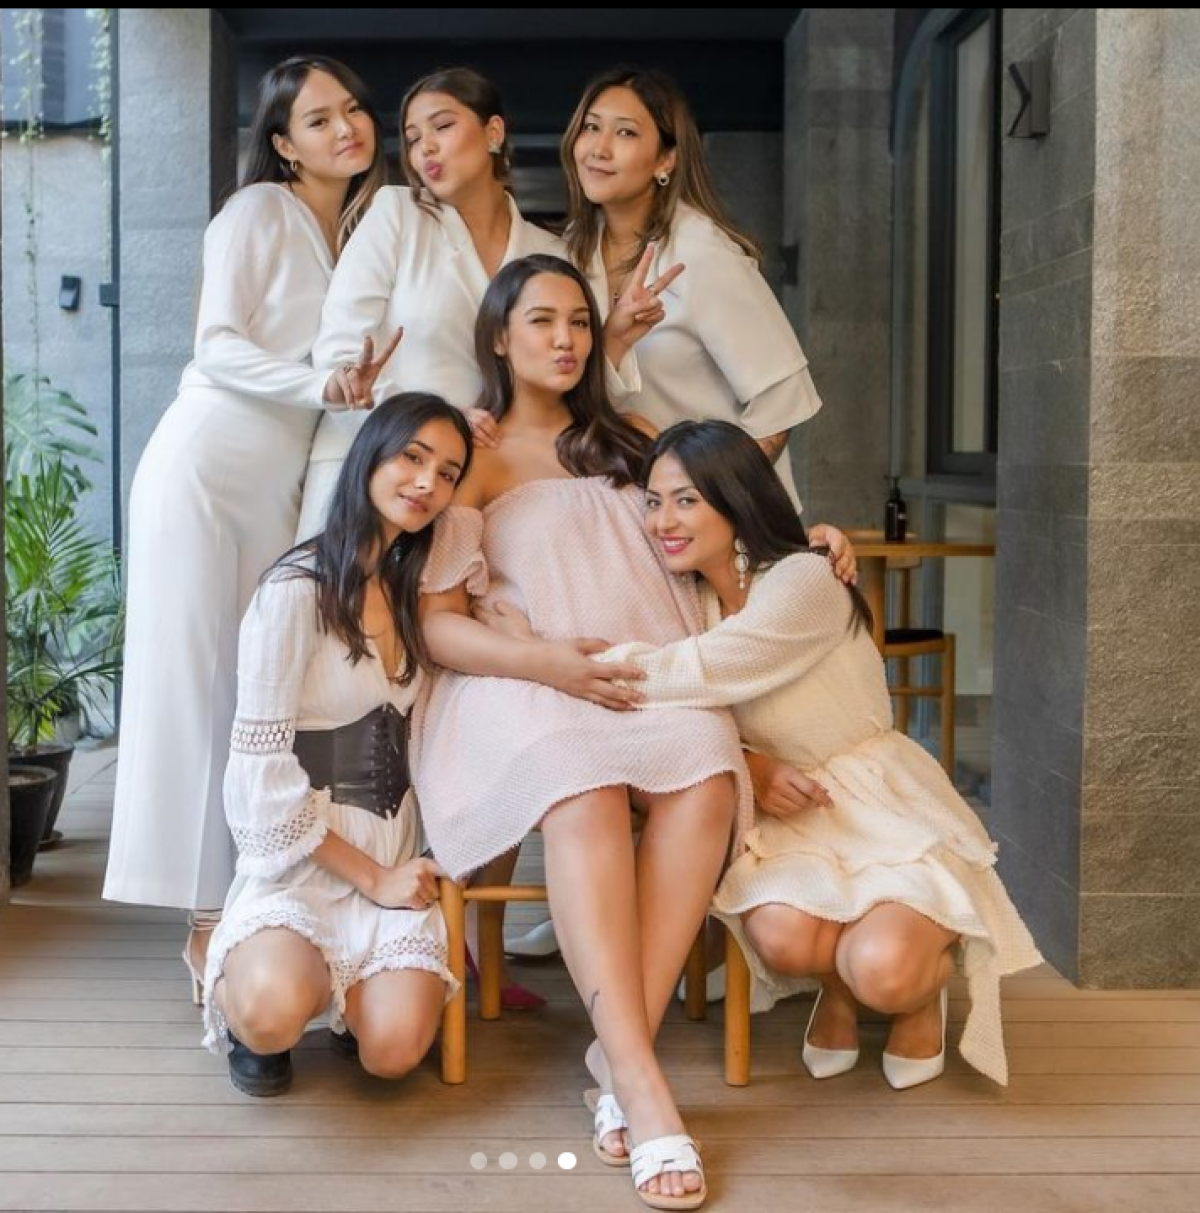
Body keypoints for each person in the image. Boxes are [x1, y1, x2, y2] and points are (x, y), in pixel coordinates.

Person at [414, 255, 758, 1210]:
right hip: (520, 678)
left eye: (577, 320)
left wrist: (812, 541)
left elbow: (717, 536)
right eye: (541, 321)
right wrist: (548, 663)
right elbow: (439, 622)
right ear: (499, 337)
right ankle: (644, 1088)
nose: (564, 339)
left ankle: (616, 1054)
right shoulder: (473, 454)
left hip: (646, 673)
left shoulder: (635, 439)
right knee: (584, 787)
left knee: (708, 767)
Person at [595, 420, 1042, 1090]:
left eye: (687, 500)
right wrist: (750, 766)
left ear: (737, 498)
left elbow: (702, 672)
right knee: (782, 937)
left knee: (884, 969)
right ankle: (837, 990)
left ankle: (915, 997)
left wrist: (577, 669)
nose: (664, 521)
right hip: (789, 811)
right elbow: (685, 707)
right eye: (654, 502)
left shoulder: (804, 578)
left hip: (872, 799)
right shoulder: (689, 598)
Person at [105, 57, 396, 988]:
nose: (346, 127)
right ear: (282, 144)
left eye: (352, 109)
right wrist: (323, 383)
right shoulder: (259, 210)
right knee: (203, 686)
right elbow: (217, 343)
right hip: (208, 466)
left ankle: (253, 895)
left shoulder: (350, 228)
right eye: (318, 119)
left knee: (257, 685)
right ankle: (204, 920)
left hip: (274, 479)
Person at [200, 393, 472, 1096]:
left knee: (395, 1052)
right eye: (413, 457)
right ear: (369, 456)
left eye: (447, 472)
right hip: (307, 860)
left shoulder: (412, 591)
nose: (427, 483)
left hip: (393, 854)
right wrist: (370, 877)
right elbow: (258, 776)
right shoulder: (295, 591)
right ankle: (247, 1000)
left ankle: (349, 999)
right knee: (271, 1013)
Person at [561, 67, 822, 510]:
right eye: (591, 127)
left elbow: (782, 398)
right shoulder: (569, 255)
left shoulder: (702, 254)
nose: (599, 148)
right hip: (633, 515)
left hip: (725, 518)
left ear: (666, 160)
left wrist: (711, 497)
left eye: (625, 133)